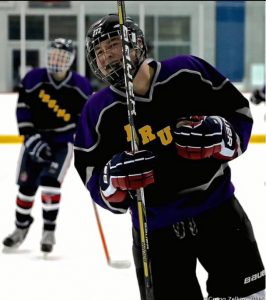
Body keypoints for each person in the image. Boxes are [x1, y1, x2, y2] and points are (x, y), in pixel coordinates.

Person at [74, 14, 265, 300]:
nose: (106, 56)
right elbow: (92, 175)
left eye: (112, 44)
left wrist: (223, 135)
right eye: (99, 52)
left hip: (220, 213)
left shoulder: (188, 71)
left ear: (136, 43)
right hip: (156, 231)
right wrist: (111, 182)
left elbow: (238, 114)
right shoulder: (97, 111)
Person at [3, 38, 93, 253]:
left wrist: (87, 144)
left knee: (50, 183)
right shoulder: (33, 79)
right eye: (53, 55)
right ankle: (20, 228)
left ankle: (48, 231)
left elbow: (85, 119)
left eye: (61, 57)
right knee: (26, 187)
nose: (56, 61)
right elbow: (23, 109)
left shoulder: (81, 86)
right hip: (35, 140)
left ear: (70, 60)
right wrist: (31, 138)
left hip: (62, 143)